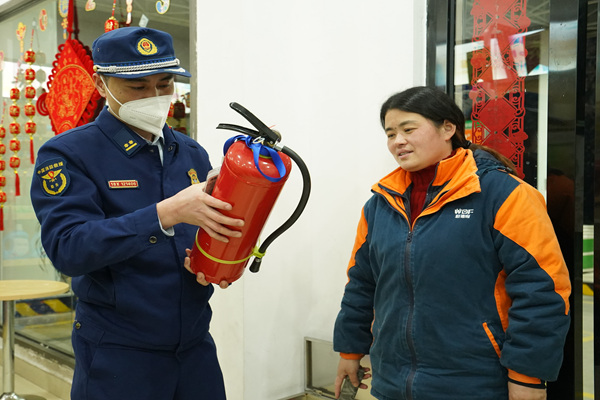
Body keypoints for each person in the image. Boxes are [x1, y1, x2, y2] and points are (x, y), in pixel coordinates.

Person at [30, 27, 243, 400]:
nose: (155, 98)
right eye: (138, 87)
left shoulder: (189, 152)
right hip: (119, 353)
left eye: (164, 84)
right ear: (100, 84)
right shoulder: (69, 155)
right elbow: (69, 248)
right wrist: (164, 214)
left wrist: (215, 262)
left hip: (194, 346)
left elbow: (202, 231)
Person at [333, 86, 571, 400]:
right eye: (390, 133)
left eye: (408, 129)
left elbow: (542, 289)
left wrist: (528, 376)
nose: (397, 141)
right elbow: (362, 283)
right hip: (393, 380)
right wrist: (350, 350)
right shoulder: (380, 205)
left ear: (448, 128)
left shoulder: (503, 194)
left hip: (475, 383)